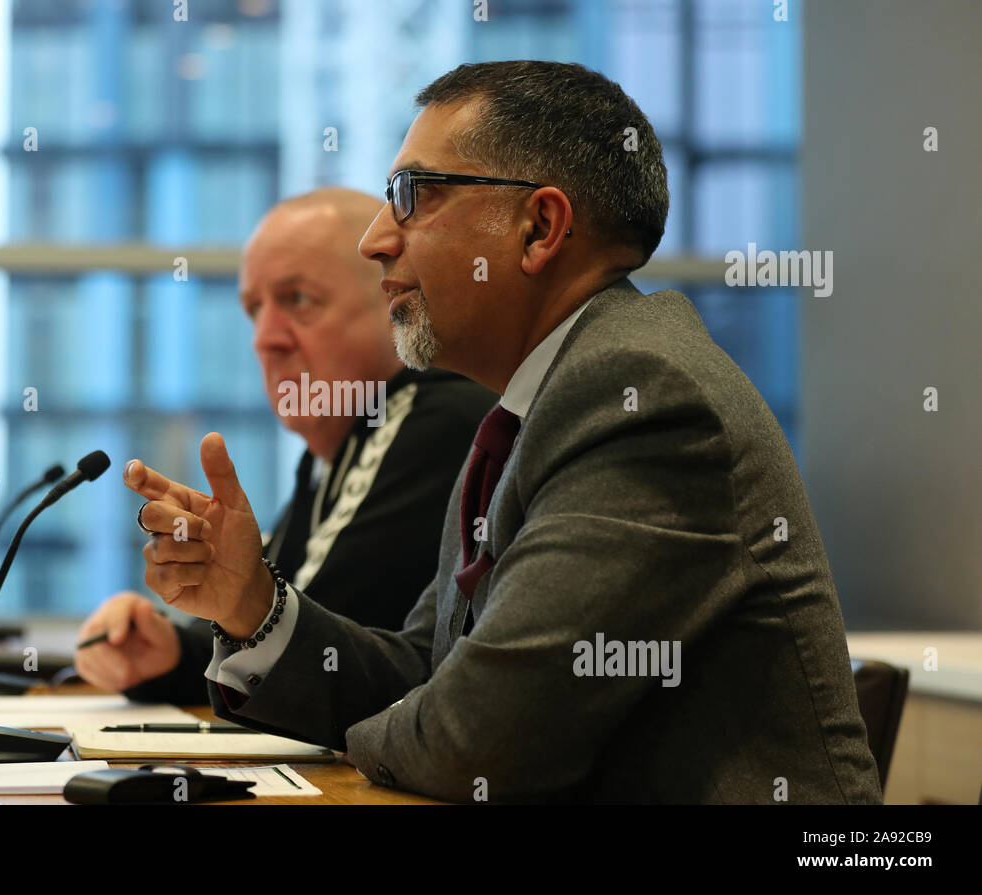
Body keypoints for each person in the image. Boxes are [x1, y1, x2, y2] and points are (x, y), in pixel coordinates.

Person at [122, 61, 883, 804]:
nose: (377, 239)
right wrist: (254, 605)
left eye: (412, 195)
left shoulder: (642, 399)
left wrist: (369, 736)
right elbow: (430, 668)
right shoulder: (530, 405)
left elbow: (475, 738)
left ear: (539, 228)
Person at [74, 188, 495, 703]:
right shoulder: (332, 455)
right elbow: (275, 631)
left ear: (394, 303)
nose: (265, 338)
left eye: (297, 300)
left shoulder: (434, 417)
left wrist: (235, 611)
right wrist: (168, 652)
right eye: (254, 309)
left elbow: (303, 643)